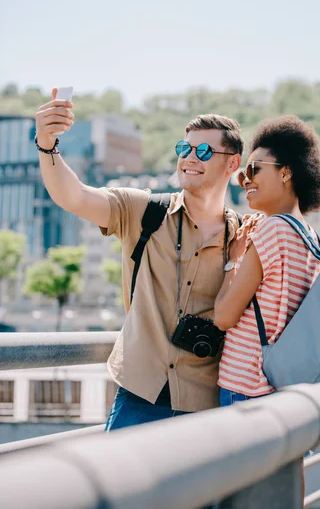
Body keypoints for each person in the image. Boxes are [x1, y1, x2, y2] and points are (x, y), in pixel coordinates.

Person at [34, 88, 244, 429]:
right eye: (184, 149)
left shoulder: (242, 236)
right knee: (118, 484)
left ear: (232, 163)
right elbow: (73, 196)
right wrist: (47, 144)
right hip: (138, 396)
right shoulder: (144, 210)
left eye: (204, 151)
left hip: (205, 405)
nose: (190, 158)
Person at [213, 115, 320, 406]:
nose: (245, 180)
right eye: (242, 175)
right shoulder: (311, 238)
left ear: (286, 173)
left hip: (247, 387)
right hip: (286, 389)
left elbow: (223, 317)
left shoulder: (273, 229)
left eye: (253, 169)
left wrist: (232, 260)